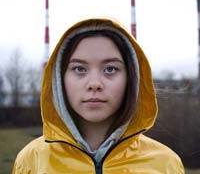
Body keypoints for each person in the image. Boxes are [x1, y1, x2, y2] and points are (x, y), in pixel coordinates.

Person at [12, 18, 185, 173]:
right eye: (79, 69)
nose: (94, 83)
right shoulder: (31, 161)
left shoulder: (166, 164)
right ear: (59, 79)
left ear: (131, 78)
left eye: (110, 69)